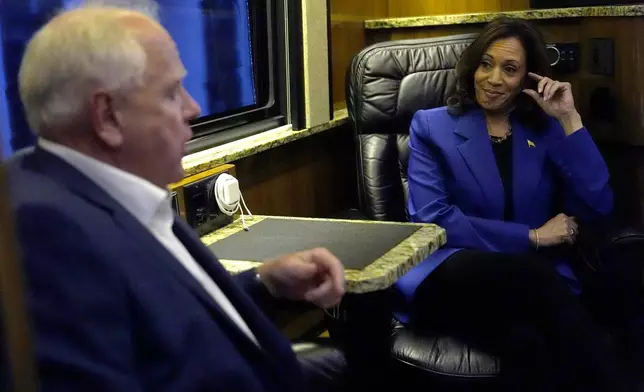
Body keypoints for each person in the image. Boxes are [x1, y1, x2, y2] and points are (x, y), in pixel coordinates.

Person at [5, 3, 346, 391]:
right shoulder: (47, 234)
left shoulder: (110, 192)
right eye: (171, 92)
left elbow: (164, 314)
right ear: (108, 117)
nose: (193, 108)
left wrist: (264, 281)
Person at [394, 17, 633, 391]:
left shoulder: (546, 129)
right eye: (486, 64)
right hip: (453, 271)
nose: (492, 78)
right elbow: (433, 220)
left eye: (509, 69)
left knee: (529, 345)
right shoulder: (431, 126)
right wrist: (533, 236)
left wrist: (569, 119)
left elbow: (598, 204)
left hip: (525, 292)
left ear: (528, 78)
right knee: (539, 283)